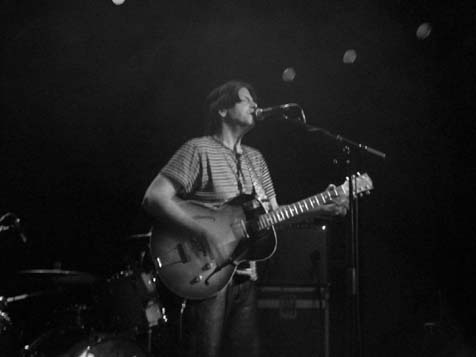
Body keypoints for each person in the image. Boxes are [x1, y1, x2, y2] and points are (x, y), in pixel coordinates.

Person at [142, 80, 348, 357]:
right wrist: (204, 232)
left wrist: (317, 207)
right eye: (245, 99)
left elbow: (274, 215)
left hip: (245, 277)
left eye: (254, 99)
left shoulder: (256, 160)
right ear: (223, 110)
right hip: (206, 274)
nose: (255, 105)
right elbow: (155, 197)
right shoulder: (198, 149)